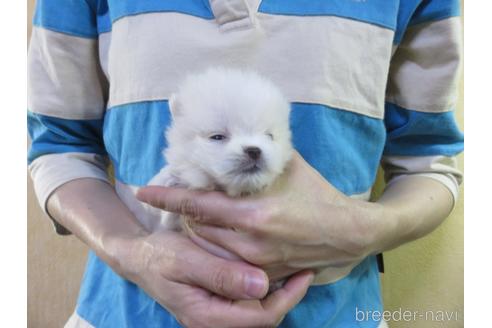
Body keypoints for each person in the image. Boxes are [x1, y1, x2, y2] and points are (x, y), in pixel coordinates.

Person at [27, 0, 464, 327]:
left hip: (337, 314)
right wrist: (137, 253)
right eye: (219, 137)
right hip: (125, 312)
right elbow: (58, 147)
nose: (250, 149)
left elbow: (431, 162)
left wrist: (360, 229)